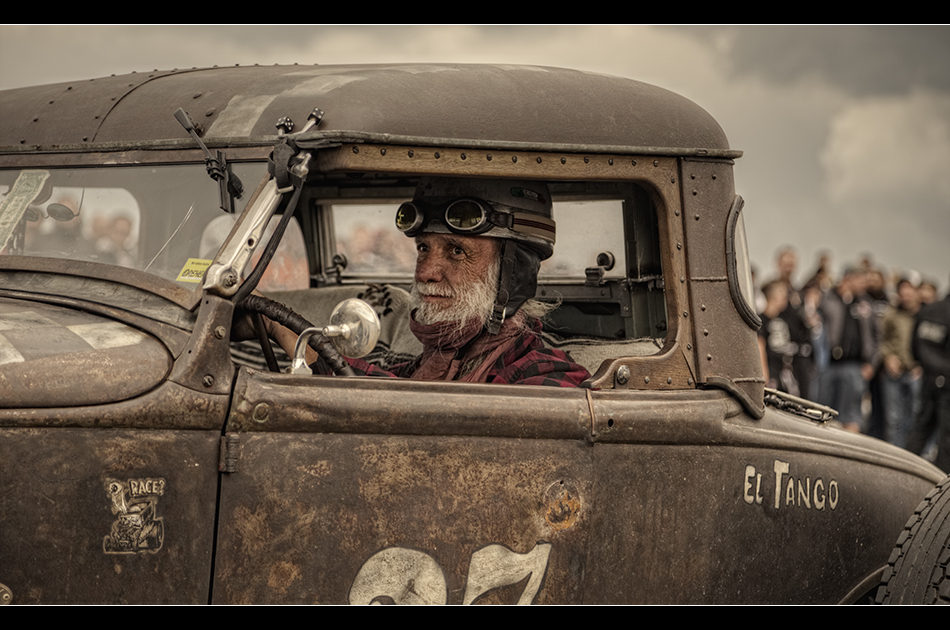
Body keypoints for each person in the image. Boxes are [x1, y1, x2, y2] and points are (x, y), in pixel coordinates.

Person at [257, 177, 590, 387]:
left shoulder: (546, 376)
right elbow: (380, 391)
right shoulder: (429, 363)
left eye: (457, 251)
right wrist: (278, 328)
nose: (425, 272)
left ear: (513, 273)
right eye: (423, 248)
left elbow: (436, 423)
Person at [817, 267, 879, 433]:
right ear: (848, 279)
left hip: (855, 366)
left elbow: (876, 335)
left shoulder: (866, 304)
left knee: (851, 415)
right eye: (861, 281)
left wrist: (872, 363)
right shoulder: (828, 299)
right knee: (823, 412)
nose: (864, 285)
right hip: (828, 364)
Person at [905, 287, 950, 472]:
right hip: (948, 382)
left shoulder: (930, 309)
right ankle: (942, 487)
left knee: (920, 430)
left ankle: (904, 473)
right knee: (946, 438)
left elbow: (914, 346)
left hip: (928, 378)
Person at [880, 277, 922, 448]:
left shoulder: (925, 315)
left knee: (914, 417)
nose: (906, 297)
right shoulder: (891, 315)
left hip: (916, 372)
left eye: (909, 293)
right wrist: (887, 357)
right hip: (893, 372)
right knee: (893, 419)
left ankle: (911, 457)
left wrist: (922, 365)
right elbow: (880, 339)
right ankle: (893, 455)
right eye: (903, 293)